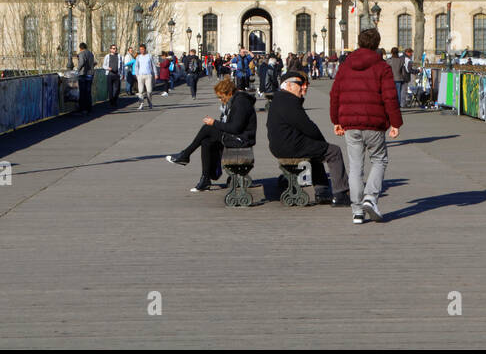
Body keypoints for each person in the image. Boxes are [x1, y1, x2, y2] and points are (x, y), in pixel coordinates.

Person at [331, 28, 402, 224]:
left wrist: (336, 120)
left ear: (359, 43)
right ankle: (370, 198)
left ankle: (357, 211)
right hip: (374, 122)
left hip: (350, 123)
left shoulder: (345, 66)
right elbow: (390, 97)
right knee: (379, 160)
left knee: (355, 167)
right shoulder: (382, 67)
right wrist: (395, 123)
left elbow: (335, 94)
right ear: (377, 44)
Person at [267, 71, 349, 207]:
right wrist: (323, 142)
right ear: (288, 85)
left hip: (281, 144)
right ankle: (341, 194)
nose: (304, 87)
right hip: (290, 145)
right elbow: (307, 126)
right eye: (300, 84)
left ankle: (322, 191)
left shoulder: (280, 98)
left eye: (305, 84)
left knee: (317, 150)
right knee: (333, 151)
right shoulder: (289, 100)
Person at [166, 77, 256, 191]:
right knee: (206, 141)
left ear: (229, 93)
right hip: (238, 137)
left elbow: (235, 128)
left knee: (207, 128)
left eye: (221, 97)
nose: (220, 100)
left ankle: (185, 155)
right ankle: (205, 179)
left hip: (242, 139)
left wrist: (214, 123)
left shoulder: (241, 102)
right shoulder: (235, 100)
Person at [134, 44, 156, 110]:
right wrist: (137, 74)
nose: (141, 51)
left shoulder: (149, 56)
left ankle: (150, 103)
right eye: (140, 49)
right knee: (140, 91)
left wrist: (156, 74)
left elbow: (153, 65)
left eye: (142, 49)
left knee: (149, 91)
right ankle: (141, 104)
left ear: (145, 49)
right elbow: (136, 66)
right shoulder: (138, 57)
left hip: (148, 75)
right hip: (140, 75)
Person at [76, 42, 96, 110]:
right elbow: (94, 63)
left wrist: (77, 70)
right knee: (88, 91)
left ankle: (83, 107)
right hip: (90, 73)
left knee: (82, 91)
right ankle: (89, 106)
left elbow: (82, 62)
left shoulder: (81, 54)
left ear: (80, 48)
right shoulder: (90, 53)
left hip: (83, 74)